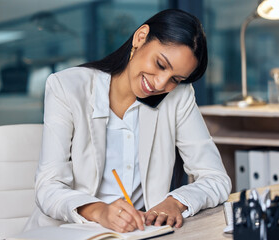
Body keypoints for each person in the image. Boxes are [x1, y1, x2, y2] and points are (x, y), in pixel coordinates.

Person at [24, 9, 231, 233]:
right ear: (140, 37)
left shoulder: (178, 97)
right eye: (161, 64)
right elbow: (48, 187)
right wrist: (100, 211)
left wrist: (176, 202)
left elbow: (216, 178)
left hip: (137, 233)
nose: (161, 84)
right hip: (68, 231)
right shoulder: (67, 87)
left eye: (175, 79)